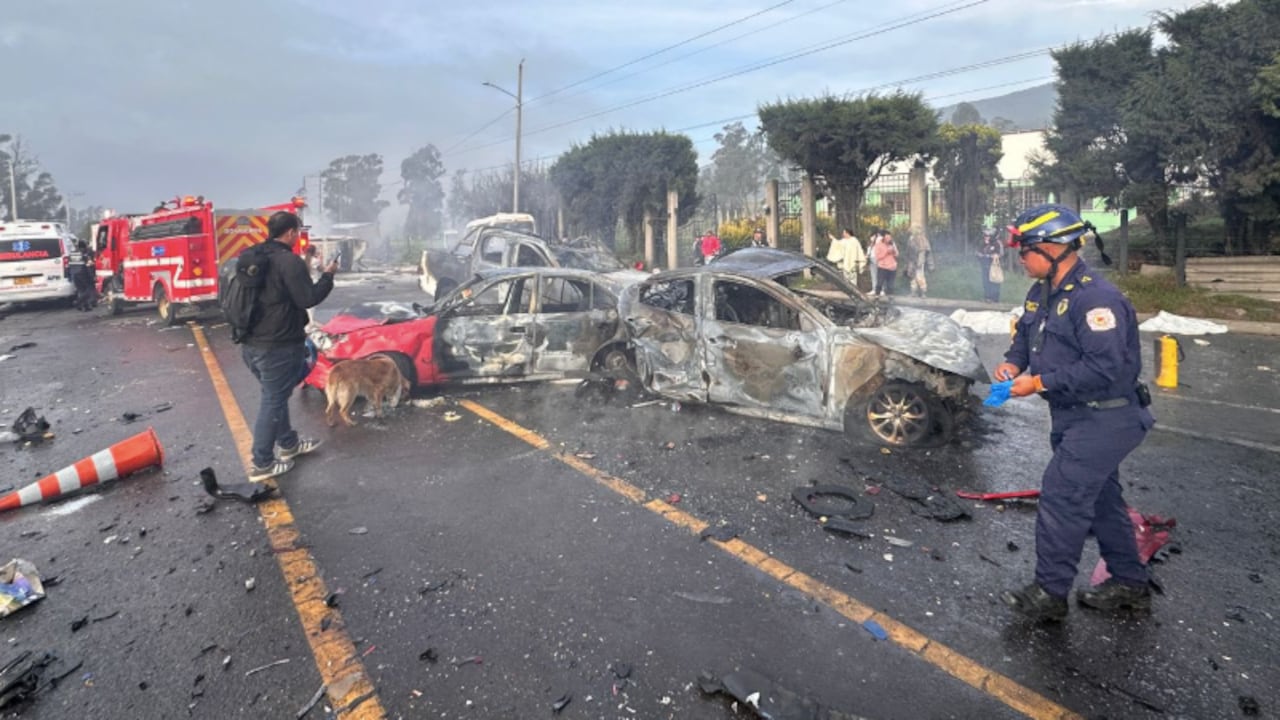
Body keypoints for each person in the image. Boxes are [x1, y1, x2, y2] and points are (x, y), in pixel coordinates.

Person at [996, 203, 1155, 622]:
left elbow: (1105, 368)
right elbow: (1026, 336)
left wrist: (1039, 383)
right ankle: (1130, 584)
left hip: (1107, 418)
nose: (1021, 259)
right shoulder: (1042, 292)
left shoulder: (1096, 299)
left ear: (1052, 248)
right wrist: (1013, 364)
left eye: (1026, 251)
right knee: (1102, 501)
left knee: (1063, 496)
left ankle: (1050, 594)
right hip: (1073, 417)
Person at [241, 212, 338, 483]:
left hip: (251, 344)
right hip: (278, 346)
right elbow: (308, 297)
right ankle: (262, 463)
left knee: (276, 395)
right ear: (291, 232)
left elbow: (280, 288)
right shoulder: (287, 260)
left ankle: (288, 444)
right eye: (297, 231)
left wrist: (306, 260)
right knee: (273, 400)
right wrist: (328, 276)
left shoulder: (253, 256)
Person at [68, 240, 95, 312]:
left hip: (74, 275)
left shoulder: (72, 254)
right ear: (83, 247)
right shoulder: (83, 254)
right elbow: (89, 265)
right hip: (83, 274)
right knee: (90, 290)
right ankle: (78, 302)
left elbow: (68, 266)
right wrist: (92, 275)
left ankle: (85, 307)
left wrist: (69, 276)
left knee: (81, 290)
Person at [978, 229, 1004, 303]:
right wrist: (981, 254)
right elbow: (978, 252)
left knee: (994, 281)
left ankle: (995, 299)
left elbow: (1001, 254)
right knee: (985, 281)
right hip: (985, 265)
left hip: (994, 266)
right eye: (985, 235)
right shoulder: (983, 243)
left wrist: (994, 256)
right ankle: (987, 297)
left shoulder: (997, 243)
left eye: (987, 236)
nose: (986, 237)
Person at [871, 231, 898, 296]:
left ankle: (891, 297)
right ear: (883, 238)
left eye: (890, 238)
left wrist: (893, 252)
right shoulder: (878, 245)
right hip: (882, 267)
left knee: (890, 284)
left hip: (892, 267)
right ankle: (877, 296)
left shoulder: (892, 244)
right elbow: (878, 257)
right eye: (887, 238)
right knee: (879, 283)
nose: (888, 239)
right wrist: (886, 252)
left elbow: (897, 254)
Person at [907, 230, 932, 298]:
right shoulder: (911, 239)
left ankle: (923, 293)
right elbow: (909, 252)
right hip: (912, 261)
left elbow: (926, 252)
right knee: (913, 277)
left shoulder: (923, 240)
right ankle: (913, 292)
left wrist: (928, 263)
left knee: (920, 277)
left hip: (919, 261)